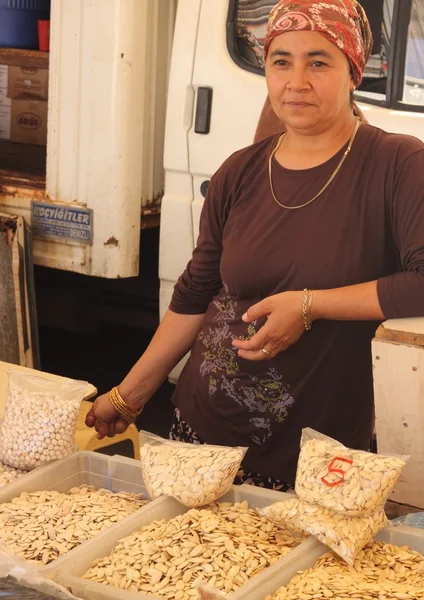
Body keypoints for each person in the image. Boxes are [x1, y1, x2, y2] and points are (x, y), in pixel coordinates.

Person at [86, 0, 424, 491]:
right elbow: (197, 292)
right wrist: (130, 394)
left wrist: (309, 306)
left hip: (316, 455)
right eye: (281, 61)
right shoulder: (240, 169)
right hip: (204, 429)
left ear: (353, 71)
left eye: (319, 61)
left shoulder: (398, 164)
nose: (297, 80)